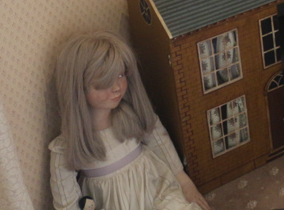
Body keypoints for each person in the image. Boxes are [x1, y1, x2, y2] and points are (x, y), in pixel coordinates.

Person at [49, 31, 211, 210]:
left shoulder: (132, 115)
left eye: (121, 75)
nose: (117, 87)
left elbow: (159, 141)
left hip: (156, 191)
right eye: (105, 81)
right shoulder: (66, 148)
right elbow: (67, 204)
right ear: (79, 88)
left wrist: (185, 183)